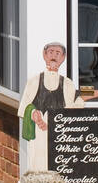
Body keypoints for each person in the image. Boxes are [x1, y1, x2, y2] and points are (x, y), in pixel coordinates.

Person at [17, 42, 84, 173]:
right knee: (39, 166)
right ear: (44, 55)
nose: (54, 56)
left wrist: (84, 98)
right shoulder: (34, 81)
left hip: (59, 133)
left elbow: (72, 107)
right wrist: (33, 113)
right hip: (39, 133)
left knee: (57, 167)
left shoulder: (68, 84)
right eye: (51, 52)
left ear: (63, 58)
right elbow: (24, 106)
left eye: (58, 53)